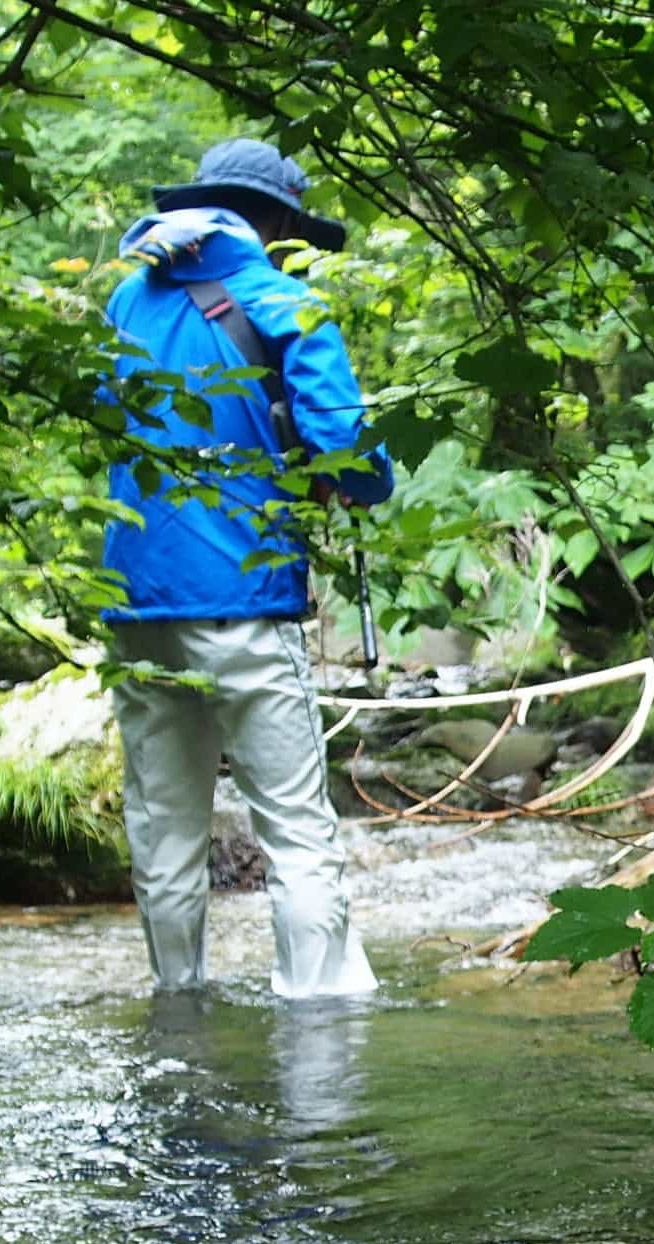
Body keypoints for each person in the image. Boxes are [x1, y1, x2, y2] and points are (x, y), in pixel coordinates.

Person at [98, 139, 394, 999]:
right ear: (274, 223)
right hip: (245, 598)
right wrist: (358, 476)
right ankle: (315, 1025)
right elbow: (352, 456)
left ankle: (177, 1005)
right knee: (299, 835)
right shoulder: (287, 302)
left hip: (137, 600)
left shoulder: (126, 298)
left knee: (163, 830)